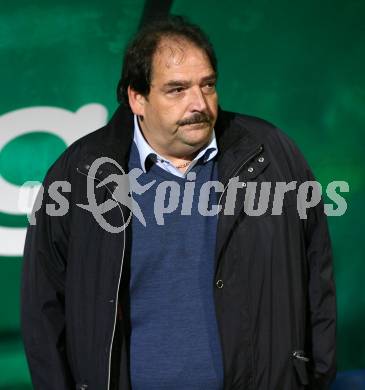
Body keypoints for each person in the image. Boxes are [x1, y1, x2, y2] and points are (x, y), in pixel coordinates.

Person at [21, 15, 336, 390]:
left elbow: (318, 271)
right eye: (177, 90)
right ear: (138, 98)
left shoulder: (272, 155)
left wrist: (314, 376)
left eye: (208, 85)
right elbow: (44, 305)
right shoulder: (80, 173)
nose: (198, 104)